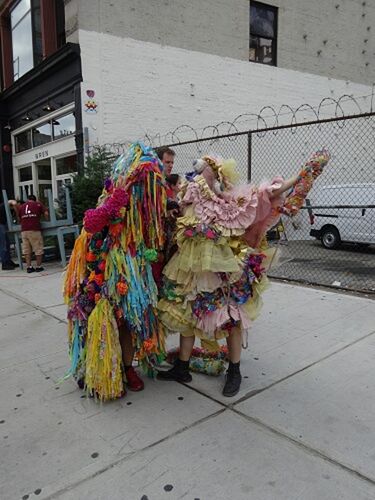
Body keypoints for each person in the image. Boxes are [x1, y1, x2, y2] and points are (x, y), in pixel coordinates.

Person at [157, 151, 330, 397]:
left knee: (230, 318)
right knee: (188, 314)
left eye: (203, 172)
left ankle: (234, 371)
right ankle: (182, 367)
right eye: (198, 171)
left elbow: (266, 195)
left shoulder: (230, 204)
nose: (198, 176)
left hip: (224, 274)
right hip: (191, 271)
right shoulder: (190, 196)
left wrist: (300, 176)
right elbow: (178, 218)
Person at [63, 142, 167, 400]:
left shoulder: (148, 208)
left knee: (128, 322)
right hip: (102, 272)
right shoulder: (111, 196)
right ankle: (91, 367)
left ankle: (127, 368)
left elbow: (152, 238)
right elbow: (91, 222)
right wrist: (114, 203)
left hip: (133, 271)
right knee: (95, 320)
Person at [18, 194, 48, 273]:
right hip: (34, 229)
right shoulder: (38, 204)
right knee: (38, 248)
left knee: (27, 250)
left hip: (24, 230)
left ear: (28, 199)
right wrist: (46, 219)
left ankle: (29, 267)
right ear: (35, 199)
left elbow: (19, 218)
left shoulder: (22, 206)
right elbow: (46, 214)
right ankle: (38, 266)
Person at [0, 199, 18, 270]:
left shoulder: (7, 208)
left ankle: (8, 261)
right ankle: (4, 263)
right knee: (3, 245)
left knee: (7, 243)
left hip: (3, 225)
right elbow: (11, 202)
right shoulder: (3, 206)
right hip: (1, 225)